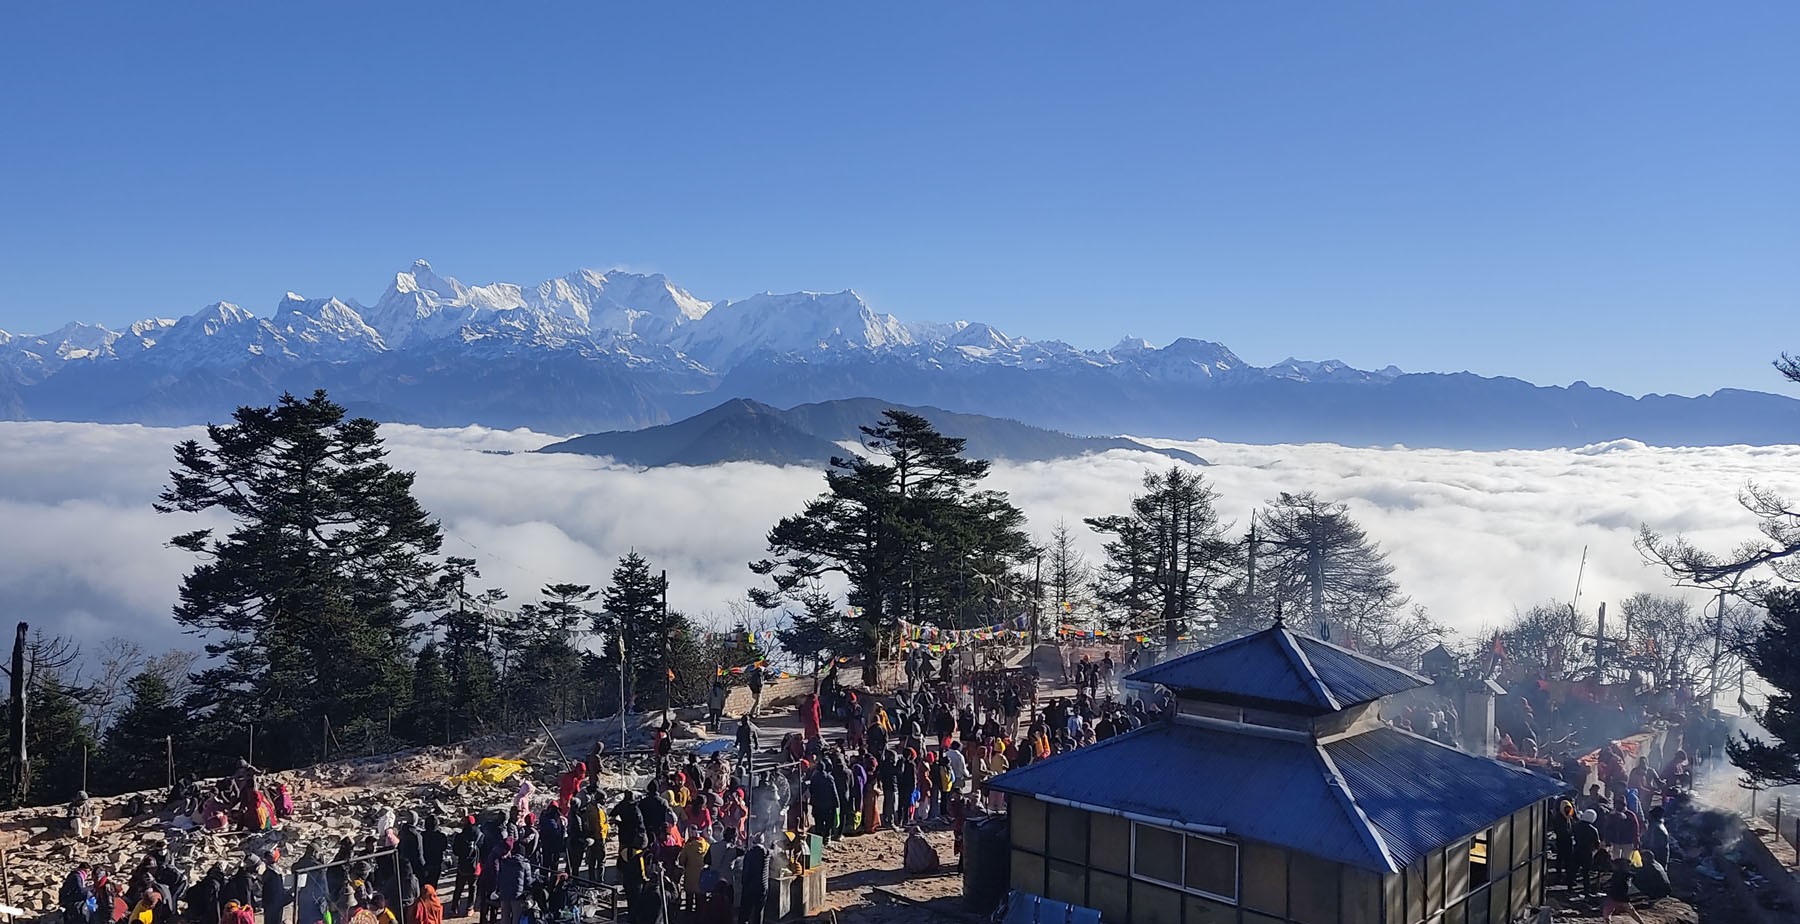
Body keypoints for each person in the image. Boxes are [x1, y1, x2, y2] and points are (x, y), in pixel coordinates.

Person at [494, 845, 531, 924]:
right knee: (516, 917)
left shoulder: (504, 862)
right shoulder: (525, 864)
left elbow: (499, 877)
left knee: (504, 917)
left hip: (504, 893)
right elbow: (528, 882)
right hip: (517, 895)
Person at [1601, 857, 1645, 923]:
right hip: (1623, 897)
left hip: (1614, 896)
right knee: (1632, 912)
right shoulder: (1627, 874)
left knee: (1607, 910)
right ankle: (1641, 922)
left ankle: (1608, 921)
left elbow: (1613, 883)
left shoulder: (1619, 874)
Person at [738, 835, 768, 924]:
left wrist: (743, 883)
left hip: (750, 887)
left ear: (753, 842)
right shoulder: (767, 853)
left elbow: (746, 872)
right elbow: (773, 850)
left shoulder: (750, 854)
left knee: (745, 912)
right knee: (759, 912)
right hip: (763, 887)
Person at [1574, 809, 1603, 897]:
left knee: (1573, 869)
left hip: (1577, 849)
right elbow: (1597, 843)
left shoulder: (1577, 826)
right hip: (1588, 852)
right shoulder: (1593, 829)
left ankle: (1570, 886)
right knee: (1586, 872)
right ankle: (1586, 890)